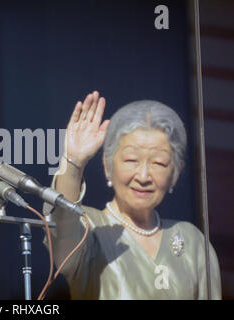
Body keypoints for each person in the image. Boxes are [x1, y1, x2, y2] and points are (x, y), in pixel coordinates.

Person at [44, 91, 221, 299]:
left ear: (175, 173)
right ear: (107, 166)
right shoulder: (88, 227)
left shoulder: (192, 242)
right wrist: (74, 163)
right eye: (131, 160)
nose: (144, 176)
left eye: (159, 163)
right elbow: (62, 227)